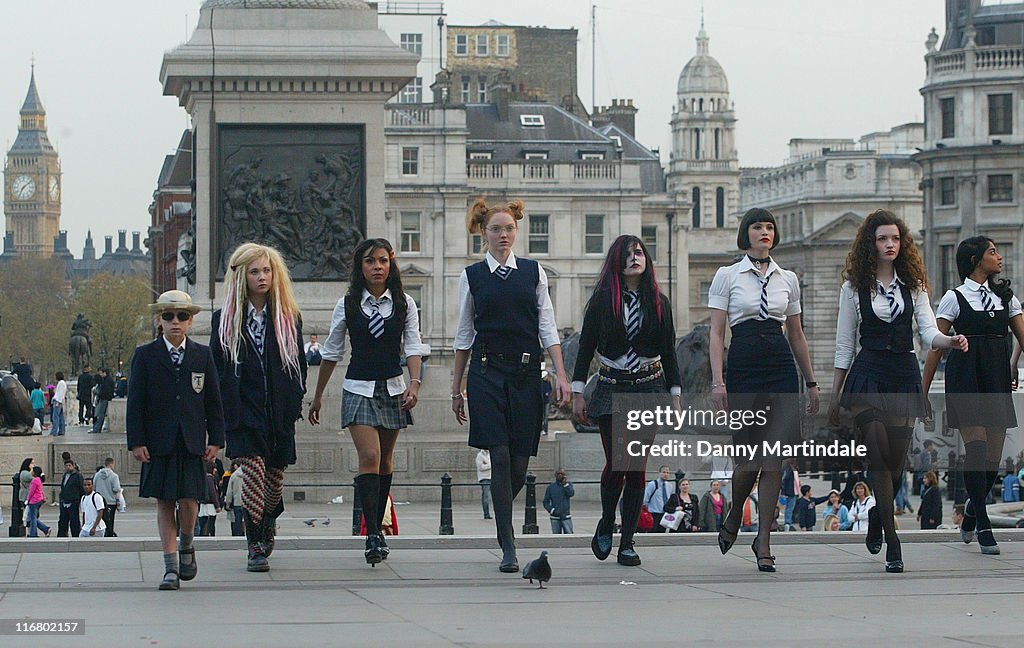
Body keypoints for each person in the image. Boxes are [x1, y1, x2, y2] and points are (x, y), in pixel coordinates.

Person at [829, 209, 968, 573]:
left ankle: (877, 514)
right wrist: (834, 395)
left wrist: (949, 340)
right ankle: (894, 542)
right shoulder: (854, 287)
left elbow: (927, 333)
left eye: (894, 238)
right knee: (879, 460)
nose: (889, 244)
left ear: (901, 243)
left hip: (903, 373)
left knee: (894, 469)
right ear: (870, 245)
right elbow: (845, 344)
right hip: (869, 374)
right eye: (882, 239)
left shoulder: (914, 285)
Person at [709, 208, 820, 573]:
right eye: (758, 227)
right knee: (749, 458)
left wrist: (811, 381)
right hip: (743, 360)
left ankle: (764, 541)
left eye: (770, 227)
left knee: (774, 459)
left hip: (779, 362)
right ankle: (732, 516)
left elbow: (797, 333)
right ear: (747, 233)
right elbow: (716, 334)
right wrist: (718, 381)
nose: (765, 233)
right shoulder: (727, 276)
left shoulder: (787, 278)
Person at [310, 238, 425, 566]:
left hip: (393, 387)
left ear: (391, 265)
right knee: (370, 456)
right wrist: (317, 397)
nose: (377, 267)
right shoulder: (347, 303)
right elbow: (331, 351)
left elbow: (413, 346)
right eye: (370, 262)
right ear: (360, 267)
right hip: (358, 388)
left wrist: (414, 384)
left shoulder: (404, 304)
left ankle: (379, 526)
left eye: (383, 261)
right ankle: (372, 533)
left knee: (386, 461)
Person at [571, 234, 681, 566]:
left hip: (648, 387)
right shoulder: (602, 301)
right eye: (628, 253)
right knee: (617, 463)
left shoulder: (659, 302)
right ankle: (607, 520)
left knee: (636, 467)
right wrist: (577, 392)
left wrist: (676, 397)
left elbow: (669, 352)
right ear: (616, 261)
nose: (635, 257)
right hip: (611, 387)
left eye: (640, 252)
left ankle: (628, 541)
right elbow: (586, 347)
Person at [923, 237, 1024, 556]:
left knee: (994, 459)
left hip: (995, 377)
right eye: (992, 252)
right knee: (977, 450)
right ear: (974, 260)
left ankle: (970, 511)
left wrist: (1012, 363)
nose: (999, 257)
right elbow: (936, 346)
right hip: (965, 378)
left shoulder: (1007, 297)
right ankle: (982, 524)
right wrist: (921, 392)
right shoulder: (954, 298)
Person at [211, 242, 307, 572]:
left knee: (274, 479)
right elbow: (217, 367)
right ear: (241, 277)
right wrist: (221, 411)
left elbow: (299, 365)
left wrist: (297, 399)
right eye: (254, 271)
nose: (262, 277)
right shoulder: (223, 320)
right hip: (243, 411)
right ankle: (254, 544)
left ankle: (269, 517)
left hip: (278, 411)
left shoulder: (288, 317)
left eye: (267, 270)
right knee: (252, 473)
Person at [127, 289, 225, 591]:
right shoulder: (145, 355)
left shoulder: (202, 354)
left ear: (191, 321)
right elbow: (136, 402)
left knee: (190, 501)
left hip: (192, 439)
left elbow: (213, 400)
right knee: (165, 501)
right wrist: (137, 441)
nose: (175, 322)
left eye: (181, 316)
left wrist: (217, 438)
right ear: (159, 319)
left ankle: (187, 543)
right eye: (168, 315)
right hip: (159, 442)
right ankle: (170, 566)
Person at [93, 458, 122, 537]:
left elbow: (94, 486)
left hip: (99, 501)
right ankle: (109, 534)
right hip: (111, 501)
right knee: (110, 520)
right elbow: (116, 489)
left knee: (101, 519)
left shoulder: (97, 475)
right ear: (111, 464)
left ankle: (102, 533)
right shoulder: (114, 476)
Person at [644, 466, 676, 534]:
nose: (666, 474)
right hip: (654, 513)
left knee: (662, 532)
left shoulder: (669, 486)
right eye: (664, 472)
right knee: (652, 532)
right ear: (659, 473)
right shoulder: (653, 484)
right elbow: (645, 498)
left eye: (667, 473)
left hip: (664, 513)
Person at [57, 460, 84, 537]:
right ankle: (62, 535)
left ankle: (76, 535)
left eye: (69, 465)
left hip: (73, 501)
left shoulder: (77, 476)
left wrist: (79, 500)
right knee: (63, 521)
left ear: (73, 466)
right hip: (64, 501)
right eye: (66, 466)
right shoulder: (65, 475)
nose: (68, 467)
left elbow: (81, 488)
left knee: (74, 521)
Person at [543, 468, 574, 534]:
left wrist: (565, 485)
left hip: (566, 516)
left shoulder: (568, 485)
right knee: (556, 535)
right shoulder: (551, 487)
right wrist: (551, 510)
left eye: (562, 474)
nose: (560, 475)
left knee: (569, 534)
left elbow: (571, 493)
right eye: (558, 474)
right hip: (555, 517)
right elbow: (545, 501)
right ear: (555, 475)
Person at [197, 462, 222, 537]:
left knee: (203, 521)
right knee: (210, 523)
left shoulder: (204, 478)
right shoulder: (210, 479)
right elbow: (213, 493)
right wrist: (217, 505)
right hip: (210, 504)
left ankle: (204, 534)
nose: (215, 470)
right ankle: (209, 535)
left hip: (204, 503)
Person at [25, 466, 50, 537]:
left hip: (33, 501)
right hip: (39, 500)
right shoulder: (39, 480)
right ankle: (45, 529)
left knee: (32, 518)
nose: (31, 472)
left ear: (35, 473)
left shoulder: (34, 480)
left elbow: (31, 492)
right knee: (33, 517)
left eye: (32, 471)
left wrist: (28, 500)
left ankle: (33, 533)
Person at [91, 368, 115, 434]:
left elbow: (105, 391)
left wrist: (99, 394)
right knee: (100, 414)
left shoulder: (106, 381)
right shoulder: (107, 380)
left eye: (101, 373)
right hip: (105, 398)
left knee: (100, 414)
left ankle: (97, 428)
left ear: (105, 373)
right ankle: (97, 428)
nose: (100, 374)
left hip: (104, 398)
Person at [225, 461, 245, 536]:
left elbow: (229, 492)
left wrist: (228, 503)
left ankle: (237, 535)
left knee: (237, 521)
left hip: (237, 501)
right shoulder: (248, 474)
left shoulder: (234, 476)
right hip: (247, 501)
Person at [476, 449, 492, 520]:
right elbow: (480, 467)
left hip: (492, 477)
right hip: (485, 478)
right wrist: (490, 465)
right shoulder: (480, 455)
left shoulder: (490, 453)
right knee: (485, 496)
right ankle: (486, 514)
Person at [50, 371, 67, 436]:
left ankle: (54, 432)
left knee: (55, 417)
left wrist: (58, 401)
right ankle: (61, 431)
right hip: (60, 401)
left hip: (57, 401)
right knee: (61, 417)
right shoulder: (63, 383)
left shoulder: (60, 383)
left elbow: (60, 393)